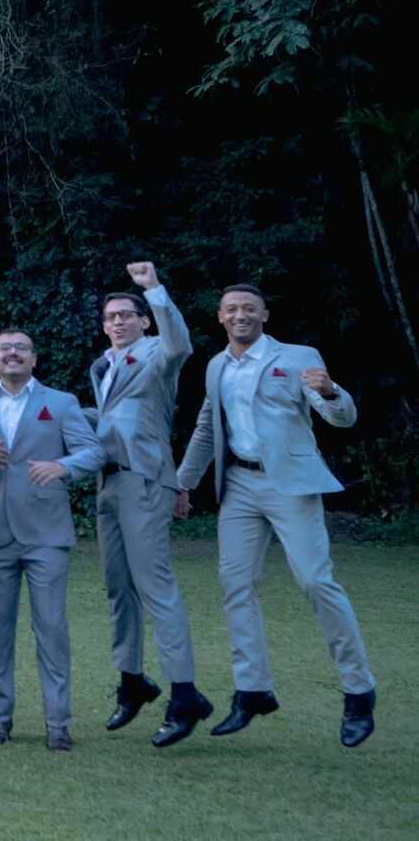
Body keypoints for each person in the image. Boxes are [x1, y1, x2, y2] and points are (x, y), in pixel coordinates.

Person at [175, 283, 376, 747]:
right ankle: (252, 690)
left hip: (291, 484)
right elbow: (207, 426)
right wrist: (183, 483)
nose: (240, 315)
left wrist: (332, 391)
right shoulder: (216, 365)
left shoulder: (298, 354)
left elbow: (340, 418)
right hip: (239, 487)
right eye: (231, 309)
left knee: (314, 581)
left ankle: (358, 691)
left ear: (264, 314)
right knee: (235, 584)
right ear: (220, 317)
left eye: (249, 308)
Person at [0, 327, 105, 751]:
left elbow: (93, 452)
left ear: (34, 359)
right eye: (4, 348)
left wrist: (63, 467)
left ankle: (58, 723)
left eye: (21, 348)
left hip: (46, 534)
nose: (13, 354)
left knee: (52, 629)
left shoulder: (60, 403)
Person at [87, 260, 213, 746]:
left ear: (143, 321)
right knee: (119, 588)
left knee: (156, 587)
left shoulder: (160, 352)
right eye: (111, 316)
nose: (118, 321)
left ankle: (185, 696)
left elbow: (180, 343)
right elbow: (107, 421)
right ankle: (132, 681)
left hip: (145, 481)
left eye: (126, 315)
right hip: (109, 485)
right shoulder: (103, 366)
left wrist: (155, 289)